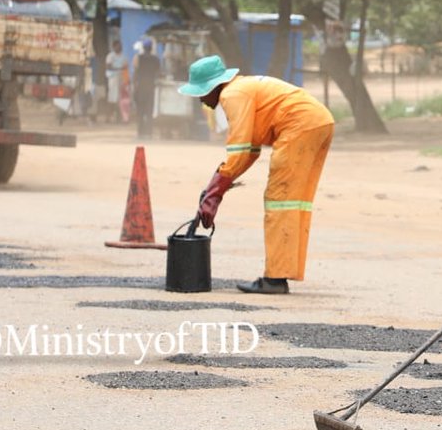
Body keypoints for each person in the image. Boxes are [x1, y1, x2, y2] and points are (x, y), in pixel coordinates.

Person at [179, 55, 334, 294]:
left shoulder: (232, 95)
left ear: (214, 86)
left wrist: (215, 191)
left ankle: (275, 280)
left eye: (201, 92)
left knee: (280, 201)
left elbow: (240, 150)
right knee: (293, 203)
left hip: (299, 126)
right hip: (319, 122)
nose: (201, 99)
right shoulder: (242, 88)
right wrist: (217, 186)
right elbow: (250, 150)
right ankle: (281, 273)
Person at [132, 39, 161, 138]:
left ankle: (140, 133)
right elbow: (158, 73)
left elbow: (135, 72)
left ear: (143, 48)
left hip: (140, 88)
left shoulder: (138, 58)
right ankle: (149, 133)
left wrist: (134, 85)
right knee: (149, 111)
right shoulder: (155, 59)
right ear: (151, 48)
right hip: (150, 88)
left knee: (140, 111)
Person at [104, 42, 127, 123]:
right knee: (111, 99)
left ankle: (118, 118)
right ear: (113, 47)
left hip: (120, 80)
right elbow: (108, 67)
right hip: (113, 79)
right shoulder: (110, 56)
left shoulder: (123, 56)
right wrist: (120, 68)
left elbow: (125, 68)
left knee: (120, 100)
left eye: (120, 46)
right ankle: (108, 117)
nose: (119, 48)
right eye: (117, 46)